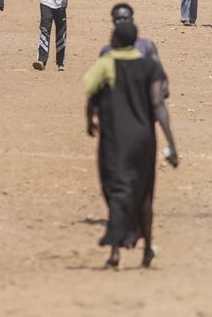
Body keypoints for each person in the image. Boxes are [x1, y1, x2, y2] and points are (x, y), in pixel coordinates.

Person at [84, 21, 178, 269]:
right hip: (144, 138)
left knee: (117, 190)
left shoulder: (106, 64)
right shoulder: (150, 66)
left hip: (115, 137)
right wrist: (171, 144)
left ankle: (115, 250)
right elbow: (158, 104)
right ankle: (147, 249)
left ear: (116, 40)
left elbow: (90, 88)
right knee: (144, 193)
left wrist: (89, 120)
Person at [100, 3, 169, 98]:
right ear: (113, 21)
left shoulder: (146, 46)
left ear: (132, 20)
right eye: (118, 19)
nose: (122, 21)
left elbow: (160, 78)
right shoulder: (107, 52)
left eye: (125, 18)